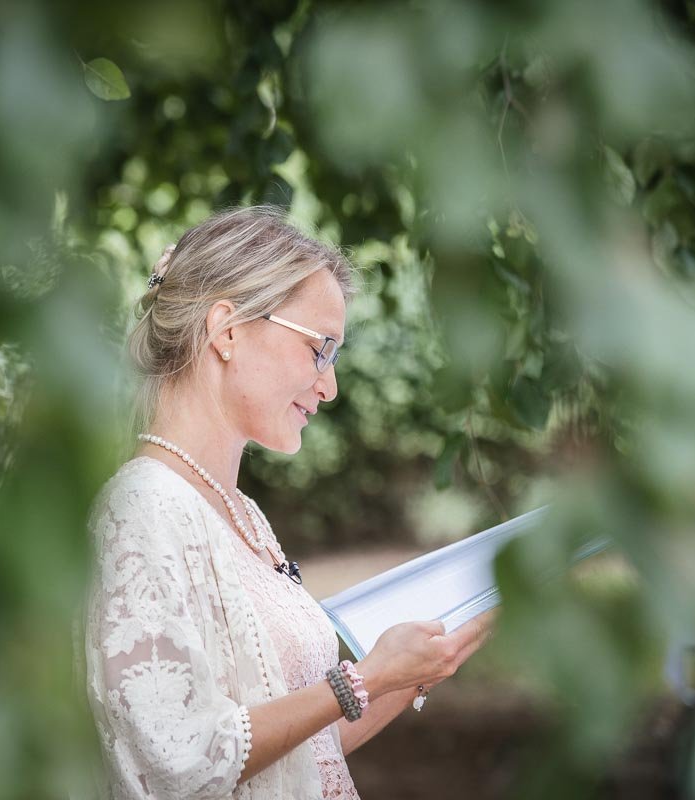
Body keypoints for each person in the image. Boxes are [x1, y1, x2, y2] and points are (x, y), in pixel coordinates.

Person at [82, 206, 494, 799]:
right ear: (226, 330)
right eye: (320, 348)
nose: (329, 385)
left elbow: (302, 757)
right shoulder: (142, 509)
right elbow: (178, 762)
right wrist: (366, 676)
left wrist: (415, 670)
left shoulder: (241, 515)